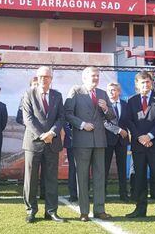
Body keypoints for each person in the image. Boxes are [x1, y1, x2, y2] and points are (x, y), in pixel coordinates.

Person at [65, 66, 114, 222]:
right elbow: (67, 113)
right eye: (93, 75)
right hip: (82, 141)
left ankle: (99, 210)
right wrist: (81, 124)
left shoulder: (102, 93)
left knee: (100, 177)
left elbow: (112, 116)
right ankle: (84, 211)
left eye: (98, 76)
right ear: (84, 77)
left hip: (100, 141)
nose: (96, 78)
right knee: (83, 177)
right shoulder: (76, 91)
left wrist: (106, 108)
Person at [22, 66, 65, 223]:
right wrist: (42, 135)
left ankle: (51, 211)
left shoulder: (57, 95)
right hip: (33, 143)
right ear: (37, 77)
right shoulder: (28, 94)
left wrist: (52, 133)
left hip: (52, 143)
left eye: (47, 76)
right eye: (41, 76)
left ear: (51, 79)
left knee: (51, 179)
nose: (44, 79)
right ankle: (31, 211)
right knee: (31, 179)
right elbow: (28, 119)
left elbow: (61, 117)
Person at [125, 71, 155, 222]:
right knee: (139, 178)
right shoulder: (131, 100)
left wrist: (149, 136)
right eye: (142, 82)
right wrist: (140, 137)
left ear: (152, 83)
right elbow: (129, 121)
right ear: (137, 84)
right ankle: (140, 209)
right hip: (139, 146)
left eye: (148, 82)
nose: (145, 85)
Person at [104, 82, 130, 202]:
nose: (111, 92)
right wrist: (119, 130)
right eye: (109, 90)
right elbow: (104, 122)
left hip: (122, 141)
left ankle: (123, 194)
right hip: (107, 140)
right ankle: (102, 194)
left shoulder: (125, 105)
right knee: (104, 168)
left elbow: (129, 121)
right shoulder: (104, 105)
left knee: (122, 168)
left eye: (114, 90)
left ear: (119, 92)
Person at [63, 122, 78, 203]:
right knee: (73, 168)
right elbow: (66, 125)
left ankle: (84, 192)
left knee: (85, 168)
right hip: (71, 143)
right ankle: (73, 194)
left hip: (84, 142)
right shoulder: (67, 109)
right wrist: (73, 136)